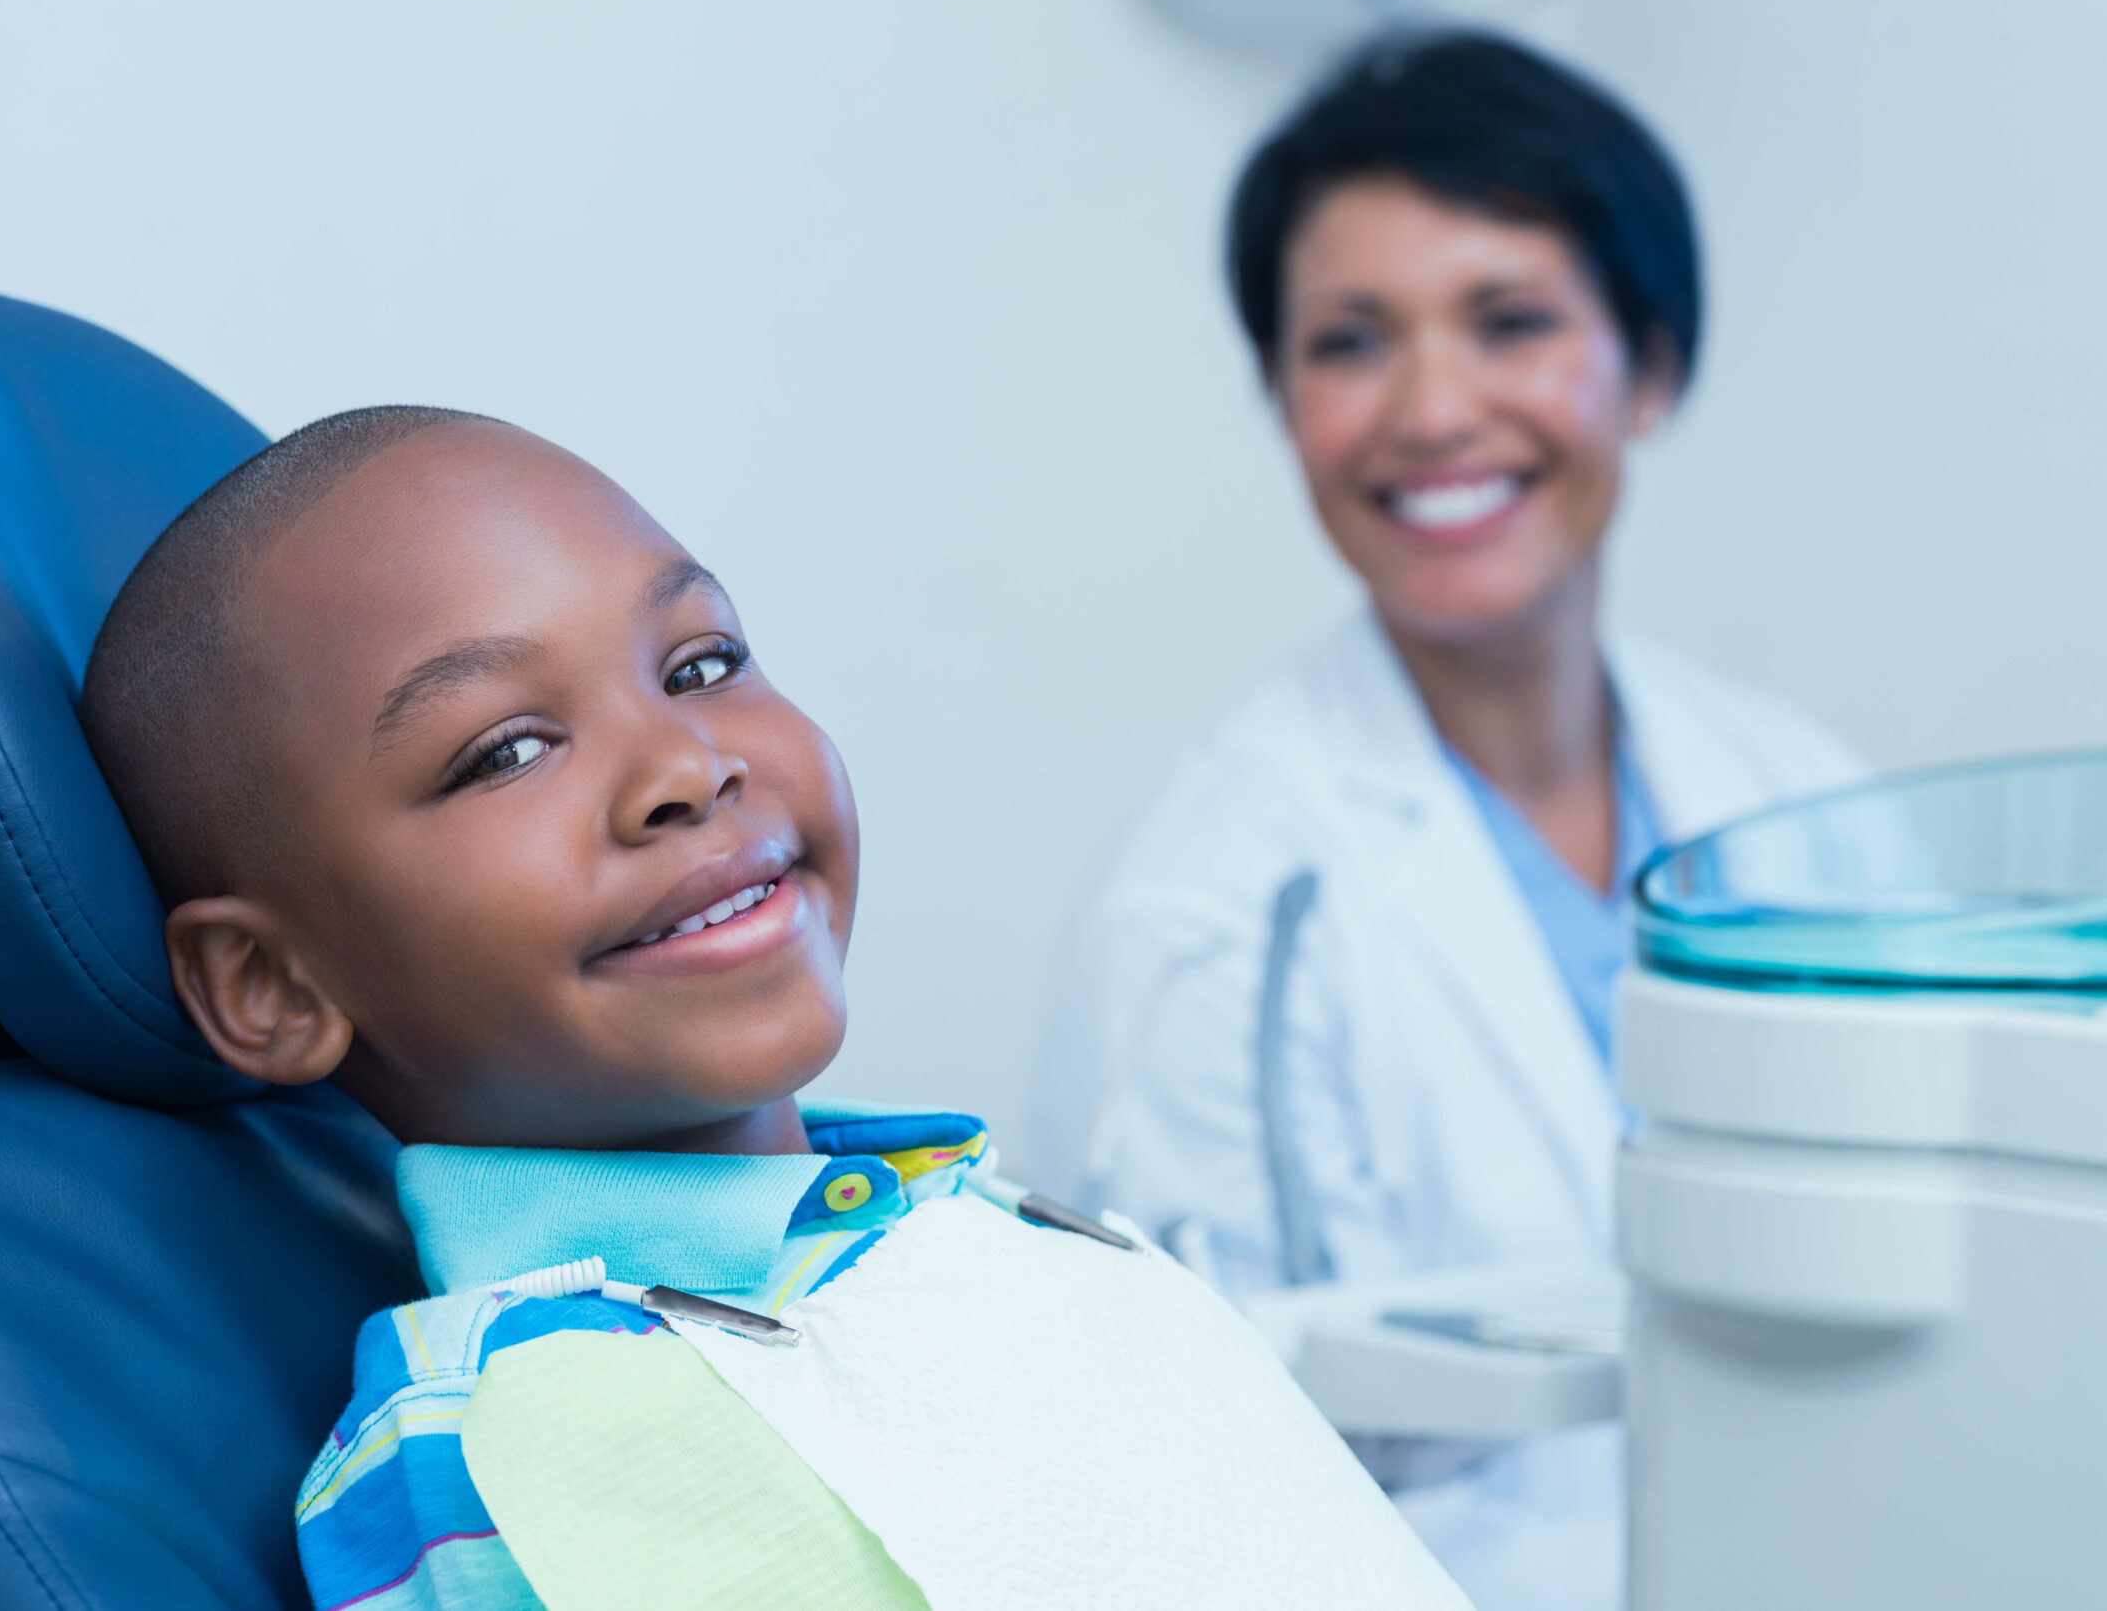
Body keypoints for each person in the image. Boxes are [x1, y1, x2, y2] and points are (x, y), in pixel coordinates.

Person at [76, 407, 1473, 1610]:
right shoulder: (514, 1437)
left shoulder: (984, 1229)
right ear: (272, 984)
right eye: (507, 750)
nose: (685, 762)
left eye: (699, 666)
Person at [1028, 30, 1866, 1611]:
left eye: (1512, 321)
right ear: (1282, 400)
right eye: (1349, 342)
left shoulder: (1796, 798)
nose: (1431, 410)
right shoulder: (1210, 910)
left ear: (1653, 363)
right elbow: (1198, 1492)